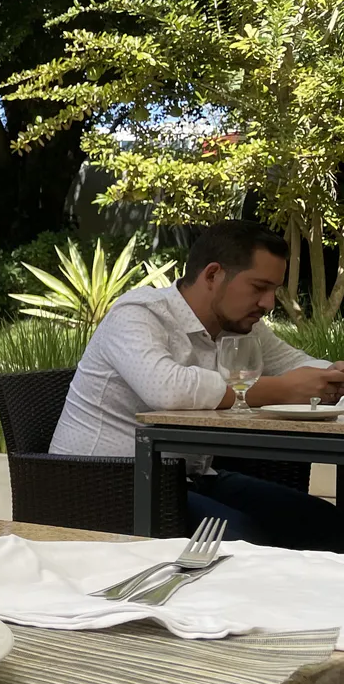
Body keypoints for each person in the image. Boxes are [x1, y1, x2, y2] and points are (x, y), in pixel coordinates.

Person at [50, 219, 344, 549]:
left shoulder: (240, 327)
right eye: (259, 287)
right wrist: (282, 390)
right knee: (247, 544)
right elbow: (167, 388)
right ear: (212, 275)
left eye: (273, 291)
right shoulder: (139, 312)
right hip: (104, 485)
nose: (268, 303)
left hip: (191, 478)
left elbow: (294, 363)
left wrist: (333, 374)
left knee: (329, 525)